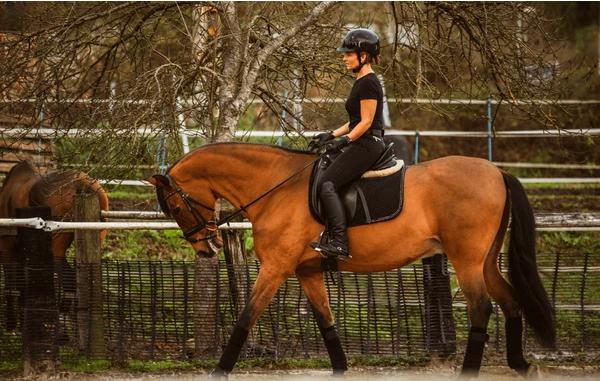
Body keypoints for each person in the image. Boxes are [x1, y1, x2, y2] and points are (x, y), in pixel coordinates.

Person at [311, 28, 386, 261]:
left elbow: (366, 122)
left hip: (368, 144)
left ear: (363, 56)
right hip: (360, 140)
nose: (344, 57)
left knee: (327, 184)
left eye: (349, 53)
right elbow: (354, 120)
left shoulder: (369, 83)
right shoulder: (361, 81)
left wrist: (344, 140)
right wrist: (330, 135)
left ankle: (340, 242)